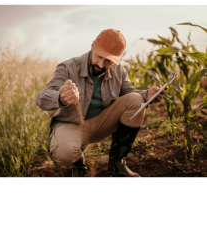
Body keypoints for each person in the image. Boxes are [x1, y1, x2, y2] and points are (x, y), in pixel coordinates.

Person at [36, 29, 166, 178]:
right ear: (92, 46)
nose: (101, 64)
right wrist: (61, 98)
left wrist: (147, 95)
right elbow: (42, 99)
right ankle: (77, 161)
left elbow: (130, 95)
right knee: (65, 153)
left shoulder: (119, 72)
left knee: (136, 99)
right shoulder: (68, 67)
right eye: (99, 56)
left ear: (117, 58)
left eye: (108, 61)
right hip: (71, 125)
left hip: (99, 124)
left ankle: (117, 164)